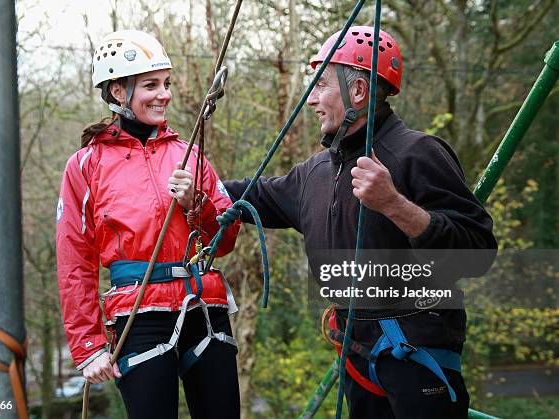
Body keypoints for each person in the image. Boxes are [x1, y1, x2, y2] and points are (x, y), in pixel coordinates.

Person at [224, 26, 497, 419]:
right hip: (356, 351)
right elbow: (257, 195)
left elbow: (477, 253)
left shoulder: (418, 153)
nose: (312, 100)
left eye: (321, 86)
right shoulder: (316, 171)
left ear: (357, 93)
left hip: (417, 353)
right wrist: (200, 188)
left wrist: (394, 205)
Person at [56, 30, 241, 419]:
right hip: (138, 316)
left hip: (202, 306)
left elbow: (225, 240)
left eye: (167, 84)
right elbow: (75, 261)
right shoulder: (86, 166)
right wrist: (88, 345)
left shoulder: (189, 153)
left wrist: (198, 205)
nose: (164, 94)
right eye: (151, 85)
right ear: (119, 92)